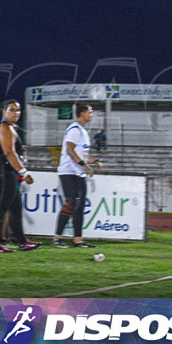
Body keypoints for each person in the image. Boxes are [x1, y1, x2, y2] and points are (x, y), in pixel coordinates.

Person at [0, 100, 40, 252]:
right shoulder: (4, 128)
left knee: (15, 209)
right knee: (0, 209)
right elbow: (9, 153)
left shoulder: (9, 128)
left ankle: (22, 241)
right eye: (12, 109)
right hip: (3, 173)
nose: (16, 112)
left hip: (4, 172)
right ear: (4, 111)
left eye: (18, 110)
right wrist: (24, 172)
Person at [52, 104, 103, 249]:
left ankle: (78, 240)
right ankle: (56, 239)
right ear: (82, 113)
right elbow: (69, 149)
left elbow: (83, 155)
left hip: (78, 173)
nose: (92, 114)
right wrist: (84, 165)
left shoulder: (83, 131)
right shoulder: (74, 130)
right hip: (69, 172)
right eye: (90, 112)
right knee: (71, 204)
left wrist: (95, 161)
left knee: (79, 206)